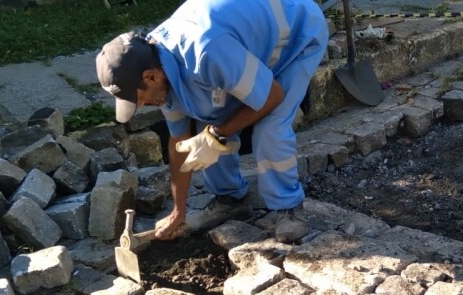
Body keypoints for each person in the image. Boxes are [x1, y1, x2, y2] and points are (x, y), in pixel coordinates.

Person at [95, 0, 328, 242]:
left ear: (151, 77)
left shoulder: (204, 51)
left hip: (296, 35)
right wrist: (178, 210)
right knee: (208, 121)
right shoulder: (156, 67)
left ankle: (289, 208)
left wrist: (216, 135)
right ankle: (231, 200)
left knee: (269, 126)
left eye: (138, 98)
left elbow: (272, 95)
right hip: (246, 51)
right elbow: (179, 141)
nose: (141, 105)